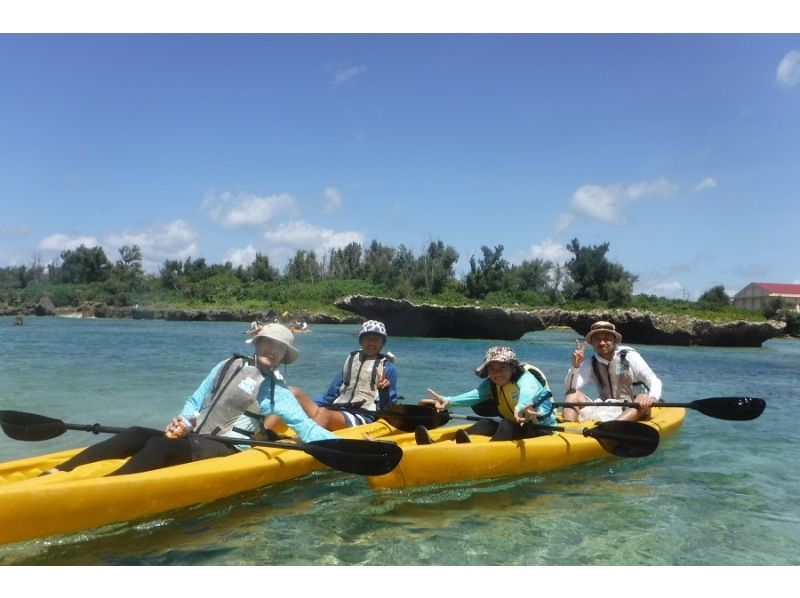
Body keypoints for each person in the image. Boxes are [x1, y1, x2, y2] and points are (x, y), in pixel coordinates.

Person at [45, 323, 335, 476]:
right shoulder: (227, 364)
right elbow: (196, 401)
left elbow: (305, 428)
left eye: (280, 349)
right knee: (135, 433)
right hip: (196, 437)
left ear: (285, 357)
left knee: (159, 444)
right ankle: (61, 470)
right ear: (257, 343)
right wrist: (184, 420)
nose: (272, 351)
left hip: (231, 449)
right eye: (268, 343)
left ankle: (109, 488)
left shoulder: (275, 390)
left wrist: (346, 442)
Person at [266, 320, 398, 433]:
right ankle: (263, 434)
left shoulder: (387, 368)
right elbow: (330, 396)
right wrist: (305, 404)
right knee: (291, 394)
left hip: (363, 416)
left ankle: (302, 443)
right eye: (368, 338)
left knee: (324, 413)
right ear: (361, 341)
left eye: (376, 339)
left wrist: (384, 390)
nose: (371, 342)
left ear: (382, 343)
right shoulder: (352, 361)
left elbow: (387, 408)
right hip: (338, 410)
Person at [416, 346, 556, 444]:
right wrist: (449, 400)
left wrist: (520, 407)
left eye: (502, 367)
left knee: (506, 424)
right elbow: (473, 396)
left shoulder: (526, 378)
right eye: (492, 369)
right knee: (485, 423)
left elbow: (528, 392)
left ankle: (485, 451)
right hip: (516, 426)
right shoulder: (491, 384)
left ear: (512, 367)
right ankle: (445, 445)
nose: (497, 373)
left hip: (542, 430)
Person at [563, 320, 662, 423]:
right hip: (605, 408)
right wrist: (576, 366)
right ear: (592, 342)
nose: (602, 343)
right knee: (572, 394)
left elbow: (654, 380)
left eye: (606, 339)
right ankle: (568, 428)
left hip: (632, 407)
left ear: (614, 341)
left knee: (642, 396)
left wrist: (653, 398)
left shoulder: (630, 357)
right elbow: (570, 387)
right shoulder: (591, 362)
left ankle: (612, 426)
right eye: (597, 339)